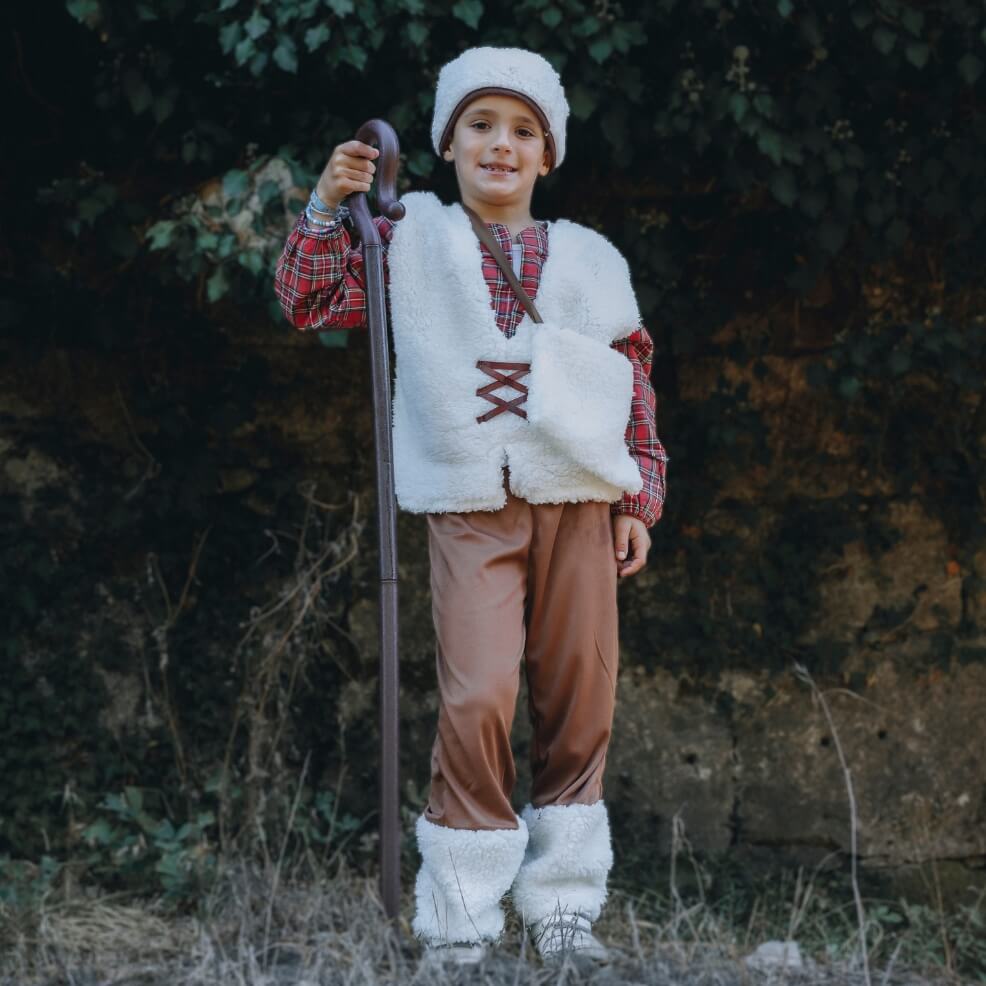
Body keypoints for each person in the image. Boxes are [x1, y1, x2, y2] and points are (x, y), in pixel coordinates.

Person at [274, 46, 670, 967]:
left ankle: (565, 911)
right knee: (479, 693)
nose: (502, 144)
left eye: (524, 131)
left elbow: (633, 383)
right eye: (482, 125)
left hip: (578, 494)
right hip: (467, 499)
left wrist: (638, 497)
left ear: (549, 154)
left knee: (582, 696)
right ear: (447, 143)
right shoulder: (408, 238)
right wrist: (329, 207)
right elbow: (308, 300)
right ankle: (459, 915)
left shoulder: (591, 260)